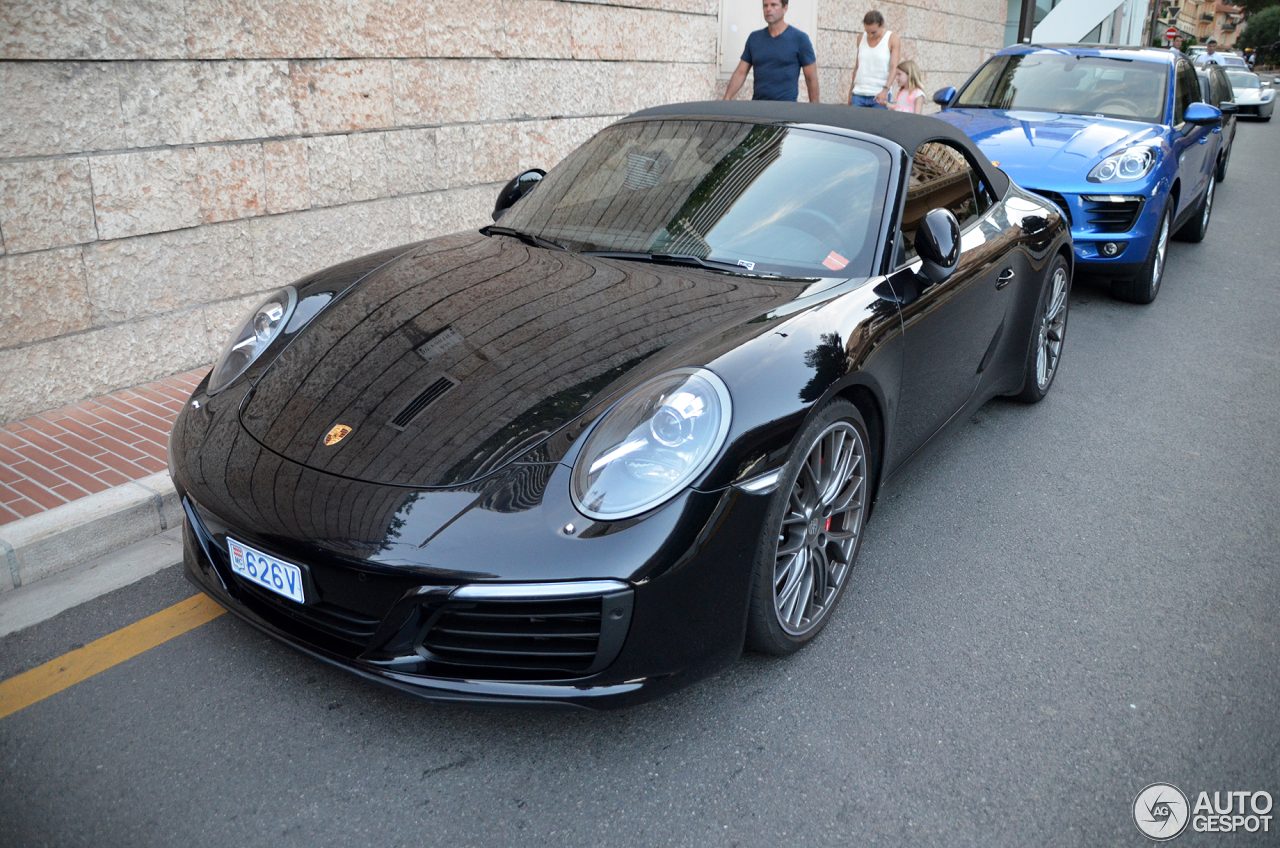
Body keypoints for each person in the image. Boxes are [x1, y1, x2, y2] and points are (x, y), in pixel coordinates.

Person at [723, 0, 819, 103]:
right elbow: (741, 73)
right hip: (758, 107)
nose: (768, 9)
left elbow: (811, 78)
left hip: (786, 109)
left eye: (774, 5)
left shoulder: (800, 39)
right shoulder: (754, 38)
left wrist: (815, 109)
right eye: (765, 5)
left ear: (785, 8)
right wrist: (727, 98)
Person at [848, 10, 901, 108]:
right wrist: (851, 91)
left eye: (873, 32)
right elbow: (857, 67)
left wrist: (885, 90)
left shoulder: (892, 39)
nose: (870, 35)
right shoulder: (860, 38)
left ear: (882, 25)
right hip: (859, 93)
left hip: (879, 95)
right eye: (867, 32)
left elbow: (894, 67)